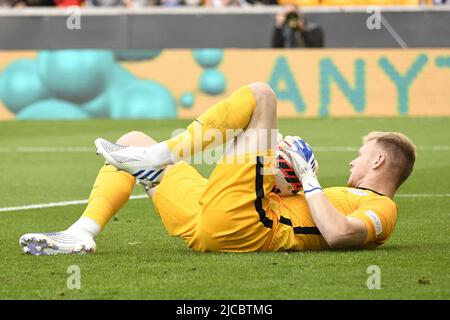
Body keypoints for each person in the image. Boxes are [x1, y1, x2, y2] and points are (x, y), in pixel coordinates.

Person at [19, 82, 416, 255]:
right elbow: (304, 213)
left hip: (248, 227)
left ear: (379, 161)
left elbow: (338, 234)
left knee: (262, 95)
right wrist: (283, 181)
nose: (353, 159)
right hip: (214, 223)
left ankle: (164, 154)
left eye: (361, 154)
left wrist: (308, 179)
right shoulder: (334, 195)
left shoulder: (383, 209)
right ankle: (79, 234)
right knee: (132, 141)